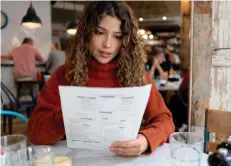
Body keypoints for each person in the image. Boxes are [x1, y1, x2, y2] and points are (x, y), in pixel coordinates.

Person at [27, 1, 175, 157]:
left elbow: (165, 121)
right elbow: (35, 133)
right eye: (99, 32)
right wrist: (67, 115)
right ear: (86, 33)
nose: (107, 44)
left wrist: (145, 139)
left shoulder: (137, 76)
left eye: (117, 36)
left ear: (125, 40)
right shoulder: (65, 74)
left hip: (124, 160)